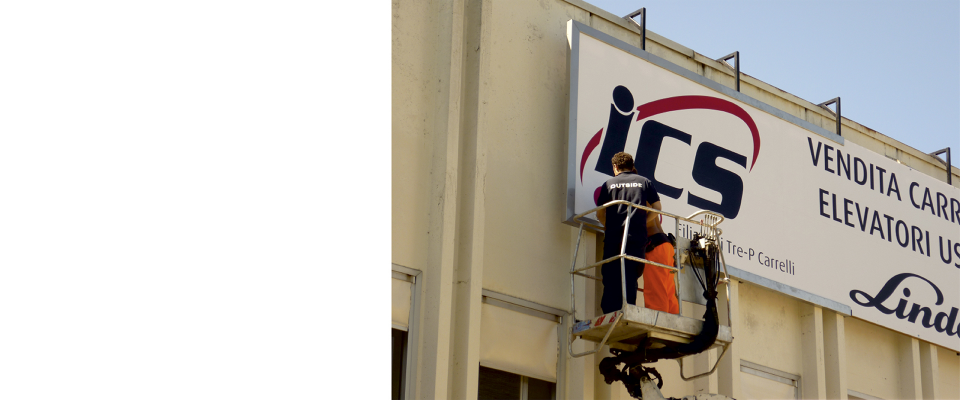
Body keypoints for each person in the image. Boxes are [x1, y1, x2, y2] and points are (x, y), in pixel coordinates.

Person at [596, 152, 661, 314]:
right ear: (632, 166)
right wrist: (642, 222)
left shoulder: (608, 184)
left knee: (611, 276)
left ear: (615, 167)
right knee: (631, 276)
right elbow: (657, 208)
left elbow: (600, 214)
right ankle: (628, 310)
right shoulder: (644, 182)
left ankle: (609, 312)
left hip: (613, 239)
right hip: (636, 238)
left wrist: (610, 226)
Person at [643, 213, 679, 314]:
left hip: (655, 247)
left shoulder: (640, 202)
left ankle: (658, 319)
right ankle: (673, 318)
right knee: (668, 291)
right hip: (666, 245)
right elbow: (657, 207)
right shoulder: (651, 203)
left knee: (656, 292)